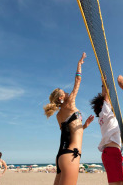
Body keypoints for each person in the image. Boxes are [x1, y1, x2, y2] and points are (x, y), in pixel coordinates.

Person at [43, 52, 94, 185]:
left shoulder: (59, 115)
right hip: (71, 155)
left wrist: (84, 127)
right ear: (61, 98)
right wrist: (79, 64)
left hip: (62, 156)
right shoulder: (70, 103)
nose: (67, 92)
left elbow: (68, 134)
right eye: (64, 92)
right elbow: (78, 81)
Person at [90, 76, 123, 185]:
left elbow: (105, 98)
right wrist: (104, 83)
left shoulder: (102, 116)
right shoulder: (105, 112)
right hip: (112, 153)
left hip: (112, 153)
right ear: (102, 105)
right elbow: (106, 96)